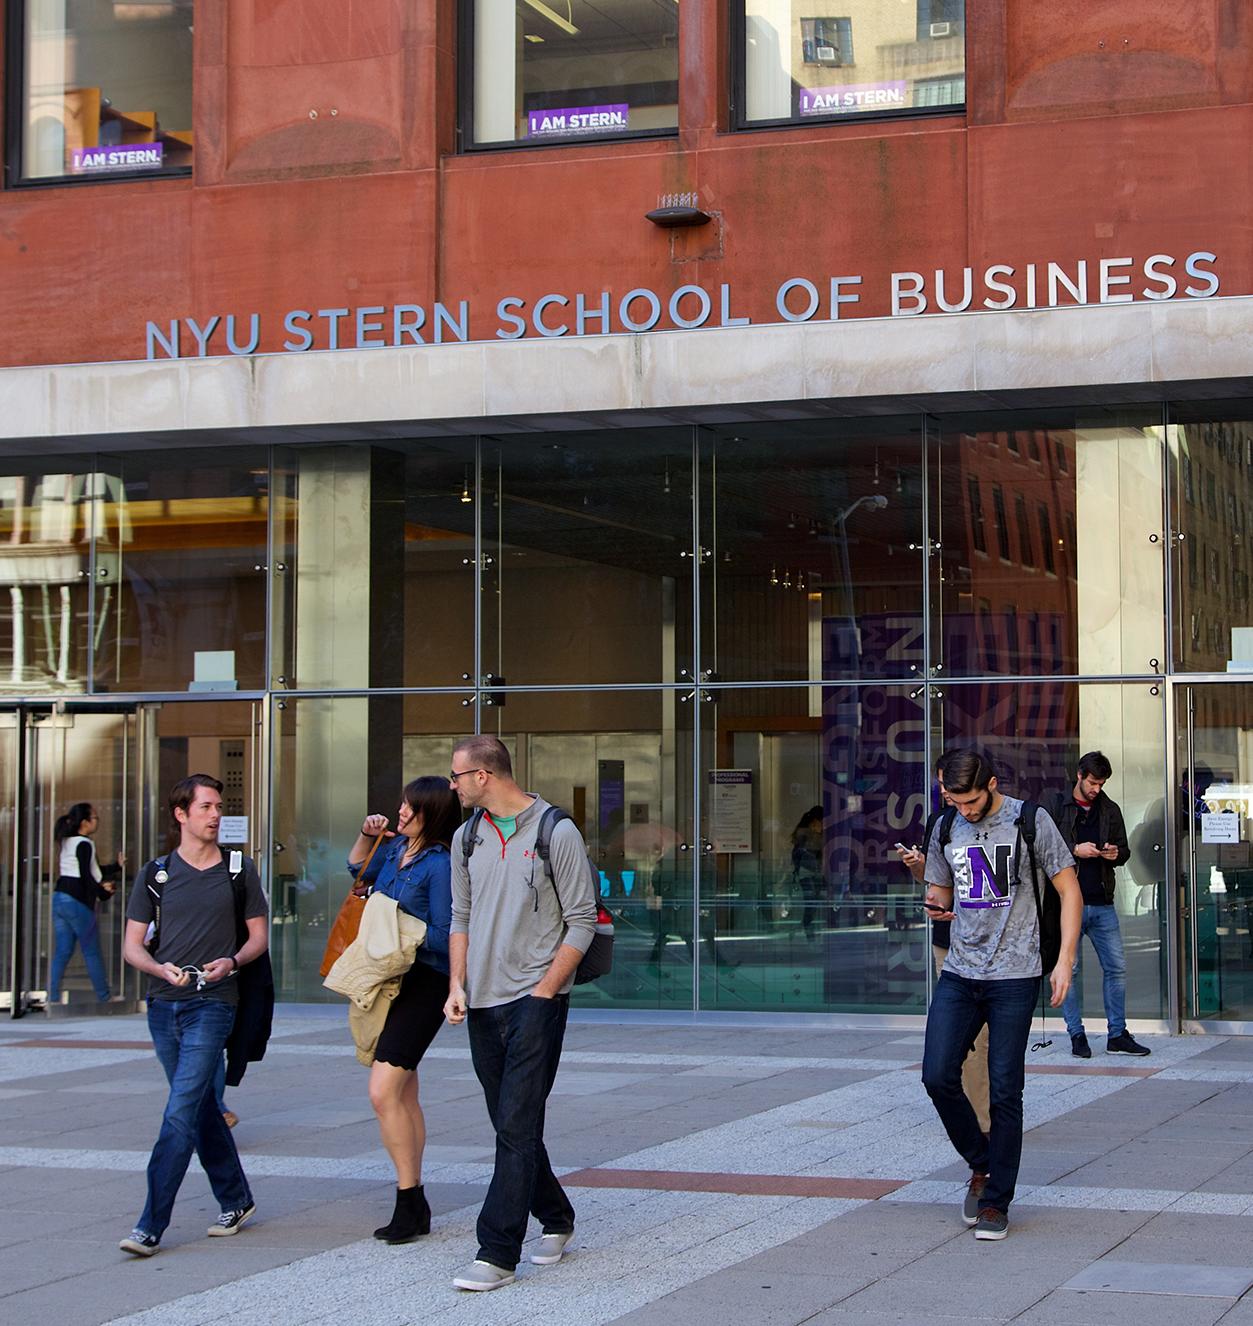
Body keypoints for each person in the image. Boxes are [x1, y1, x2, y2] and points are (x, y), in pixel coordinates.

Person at [444, 735, 598, 1292]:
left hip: (536, 1000)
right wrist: (455, 983)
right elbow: (460, 916)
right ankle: (556, 1216)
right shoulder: (466, 838)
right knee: (512, 1124)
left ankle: (496, 1250)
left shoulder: (556, 830)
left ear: (483, 775)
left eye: (456, 775)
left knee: (513, 1124)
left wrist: (545, 992)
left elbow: (581, 920)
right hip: (481, 1001)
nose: (452, 784)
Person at [920, 749, 1081, 1242]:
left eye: (970, 800)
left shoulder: (1031, 822)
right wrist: (934, 908)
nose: (964, 810)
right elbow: (940, 895)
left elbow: (1069, 890)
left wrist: (1065, 961)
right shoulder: (945, 826)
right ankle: (982, 1161)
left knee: (1006, 1088)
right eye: (954, 799)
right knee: (937, 1074)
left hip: (1016, 974)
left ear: (990, 784)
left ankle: (995, 1202)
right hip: (961, 971)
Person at [117, 774, 268, 1257]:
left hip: (214, 1002)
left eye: (219, 806)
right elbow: (131, 947)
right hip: (163, 1007)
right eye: (205, 807)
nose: (215, 814)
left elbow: (258, 938)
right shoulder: (156, 874)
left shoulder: (238, 870)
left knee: (180, 1111)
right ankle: (237, 1198)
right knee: (200, 1104)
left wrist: (233, 962)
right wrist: (158, 967)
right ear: (181, 814)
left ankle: (149, 1225)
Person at [347, 775, 461, 1243]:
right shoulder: (396, 850)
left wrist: (396, 925)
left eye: (411, 807)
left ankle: (409, 1197)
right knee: (404, 1094)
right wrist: (367, 834)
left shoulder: (440, 865)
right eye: (402, 804)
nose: (401, 812)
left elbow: (447, 932)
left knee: (383, 1091)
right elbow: (356, 869)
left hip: (424, 982)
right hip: (387, 980)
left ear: (430, 813)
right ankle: (414, 1204)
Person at [897, 753, 990, 1136]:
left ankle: (987, 1115)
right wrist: (918, 866)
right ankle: (976, 1117)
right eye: (942, 786)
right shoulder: (939, 823)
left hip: (990, 944)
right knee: (964, 1037)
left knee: (986, 1039)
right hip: (948, 944)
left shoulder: (997, 821)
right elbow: (937, 886)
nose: (948, 795)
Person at [1043, 751, 1149, 1058]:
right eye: (1092, 782)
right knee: (1069, 970)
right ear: (1079, 775)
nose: (1096, 789)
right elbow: (1041, 848)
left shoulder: (1109, 810)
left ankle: (1117, 1034)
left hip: (1102, 901)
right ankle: (1076, 1034)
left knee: (1116, 968)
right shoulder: (1056, 806)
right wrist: (1075, 849)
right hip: (1066, 903)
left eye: (1101, 784)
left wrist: (1116, 853)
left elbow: (1126, 850)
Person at [48, 802, 122, 1004]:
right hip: (76, 901)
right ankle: (104, 997)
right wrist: (103, 893)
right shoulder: (85, 843)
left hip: (60, 898)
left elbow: (90, 869)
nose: (97, 821)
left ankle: (52, 997)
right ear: (85, 822)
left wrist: (116, 866)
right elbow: (86, 876)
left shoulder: (67, 841)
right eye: (95, 818)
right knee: (91, 951)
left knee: (62, 951)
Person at [790, 806, 824, 940]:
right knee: (811, 902)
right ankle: (807, 928)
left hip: (812, 873)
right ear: (815, 821)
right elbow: (803, 854)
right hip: (807, 873)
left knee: (813, 901)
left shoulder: (809, 834)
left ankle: (807, 927)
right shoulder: (806, 834)